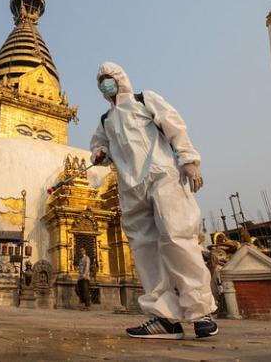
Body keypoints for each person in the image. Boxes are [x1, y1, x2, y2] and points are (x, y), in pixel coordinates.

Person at [89, 62, 218, 339]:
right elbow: (97, 145)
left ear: (120, 78)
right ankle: (164, 318)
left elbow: (174, 127)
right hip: (130, 187)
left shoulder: (144, 100)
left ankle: (200, 311)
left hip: (163, 176)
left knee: (177, 239)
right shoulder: (106, 120)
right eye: (100, 80)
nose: (105, 83)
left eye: (108, 78)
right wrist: (100, 154)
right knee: (145, 250)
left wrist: (189, 161)